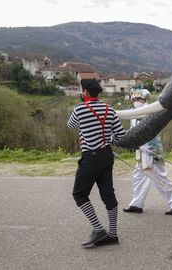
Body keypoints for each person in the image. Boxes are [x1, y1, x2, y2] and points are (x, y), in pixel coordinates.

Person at [67, 79, 125, 247]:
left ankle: (98, 229)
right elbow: (120, 135)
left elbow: (70, 126)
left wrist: (82, 106)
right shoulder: (109, 109)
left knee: (79, 194)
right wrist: (108, 139)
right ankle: (112, 234)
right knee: (108, 194)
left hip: (91, 158)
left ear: (84, 92)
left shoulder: (79, 109)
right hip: (107, 155)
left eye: (81, 90)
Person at [122, 89, 172, 215]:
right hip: (141, 151)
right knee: (139, 177)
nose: (136, 102)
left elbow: (153, 130)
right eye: (134, 100)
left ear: (144, 99)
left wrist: (148, 147)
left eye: (138, 99)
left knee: (159, 177)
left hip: (152, 150)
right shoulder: (134, 114)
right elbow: (133, 131)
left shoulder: (150, 111)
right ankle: (137, 204)